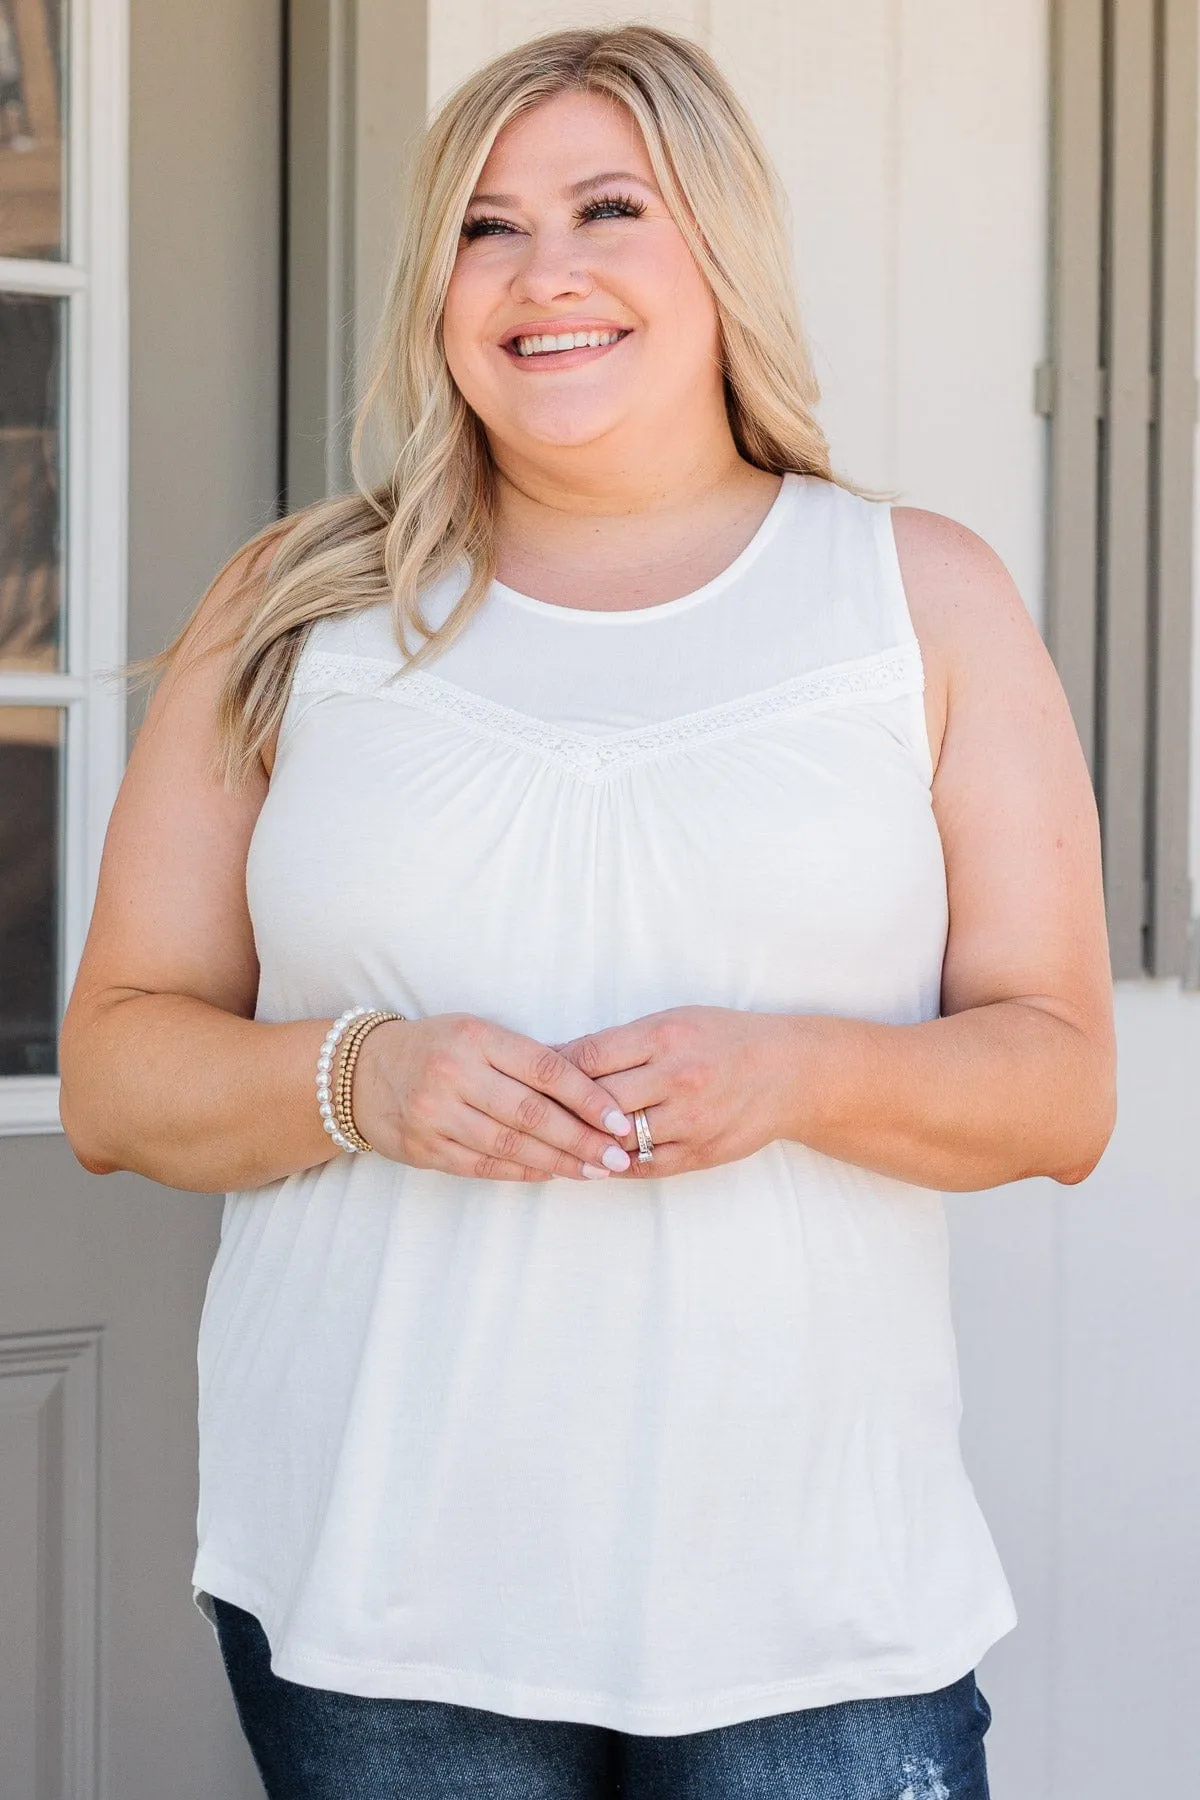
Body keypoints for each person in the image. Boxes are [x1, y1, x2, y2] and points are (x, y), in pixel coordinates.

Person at [59, 24, 1116, 1800]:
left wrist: (798, 1074)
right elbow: (112, 1074)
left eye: (606, 207)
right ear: (440, 287)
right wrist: (359, 1080)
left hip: (816, 1609)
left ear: (717, 246)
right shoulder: (299, 608)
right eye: (485, 228)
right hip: (382, 1603)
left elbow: (1061, 1087)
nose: (543, 272)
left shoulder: (916, 599)